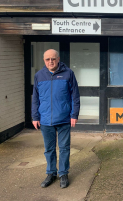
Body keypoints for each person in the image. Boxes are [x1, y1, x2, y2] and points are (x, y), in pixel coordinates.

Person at [32, 49, 80, 189]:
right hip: (45, 119)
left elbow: (75, 96)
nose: (50, 61)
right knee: (49, 149)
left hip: (64, 118)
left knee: (64, 148)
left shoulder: (68, 74)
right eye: (47, 59)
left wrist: (74, 115)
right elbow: (35, 98)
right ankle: (51, 173)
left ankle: (63, 173)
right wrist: (35, 116)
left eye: (53, 59)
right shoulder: (39, 76)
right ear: (44, 61)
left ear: (58, 59)